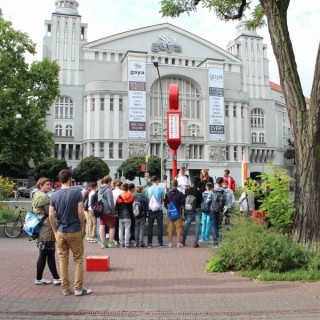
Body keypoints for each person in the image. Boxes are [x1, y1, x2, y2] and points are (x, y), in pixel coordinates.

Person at [49, 169, 92, 296]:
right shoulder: (76, 192)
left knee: (63, 260)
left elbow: (51, 215)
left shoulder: (54, 195)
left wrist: (55, 231)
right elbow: (80, 212)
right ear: (70, 179)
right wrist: (83, 227)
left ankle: (65, 289)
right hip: (74, 230)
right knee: (78, 259)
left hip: (61, 232)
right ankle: (78, 288)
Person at [32, 177, 60, 286]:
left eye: (50, 184)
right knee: (48, 254)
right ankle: (55, 278)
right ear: (41, 185)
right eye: (47, 184)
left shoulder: (36, 195)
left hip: (41, 228)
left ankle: (40, 278)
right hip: (46, 229)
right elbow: (51, 213)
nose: (49, 186)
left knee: (44, 254)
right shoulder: (44, 197)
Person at [181, 176, 202, 248]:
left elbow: (184, 199)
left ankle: (183, 241)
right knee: (197, 226)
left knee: (187, 225)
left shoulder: (187, 190)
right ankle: (195, 243)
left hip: (189, 210)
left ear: (192, 183)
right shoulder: (199, 191)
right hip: (197, 210)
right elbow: (201, 200)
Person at [164, 179, 185, 248]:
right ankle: (178, 243)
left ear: (171, 184)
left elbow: (165, 204)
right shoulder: (181, 194)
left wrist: (169, 209)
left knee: (170, 228)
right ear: (177, 184)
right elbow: (182, 205)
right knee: (179, 228)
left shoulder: (167, 194)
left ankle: (170, 243)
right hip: (178, 212)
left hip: (170, 213)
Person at [145, 176, 165, 248]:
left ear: (151, 181)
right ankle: (160, 243)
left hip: (151, 209)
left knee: (150, 226)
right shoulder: (161, 189)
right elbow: (163, 199)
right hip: (159, 209)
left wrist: (151, 204)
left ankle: (149, 243)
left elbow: (147, 198)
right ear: (157, 180)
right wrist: (158, 203)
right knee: (160, 226)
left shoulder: (148, 189)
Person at [99, 176, 117, 248]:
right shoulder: (108, 190)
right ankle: (110, 242)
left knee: (102, 226)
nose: (111, 184)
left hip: (100, 210)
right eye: (110, 182)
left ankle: (103, 243)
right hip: (108, 211)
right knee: (112, 226)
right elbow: (111, 202)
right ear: (108, 182)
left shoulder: (99, 190)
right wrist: (113, 211)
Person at [116, 183, 134, 248]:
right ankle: (127, 243)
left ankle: (121, 242)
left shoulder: (119, 197)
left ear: (122, 188)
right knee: (127, 229)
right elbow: (132, 206)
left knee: (120, 229)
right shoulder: (131, 196)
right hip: (128, 215)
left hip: (120, 215)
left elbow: (117, 207)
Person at [211, 177, 227, 248]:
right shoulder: (224, 191)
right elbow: (225, 201)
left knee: (214, 226)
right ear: (222, 183)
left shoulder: (212, 191)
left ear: (216, 183)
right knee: (219, 226)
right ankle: (220, 242)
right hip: (220, 210)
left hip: (213, 210)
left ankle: (215, 243)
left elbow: (208, 200)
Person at [112, 179, 123, 247]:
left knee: (115, 225)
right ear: (120, 185)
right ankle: (121, 239)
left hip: (113, 210)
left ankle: (116, 239)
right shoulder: (122, 192)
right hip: (121, 210)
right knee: (121, 225)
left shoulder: (111, 192)